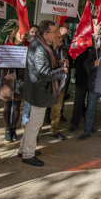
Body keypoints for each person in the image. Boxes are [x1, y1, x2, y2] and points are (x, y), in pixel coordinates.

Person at [18, 20, 67, 167]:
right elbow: (44, 73)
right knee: (35, 124)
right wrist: (61, 71)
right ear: (45, 34)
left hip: (37, 89)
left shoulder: (40, 44)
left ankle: (23, 149)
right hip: (39, 90)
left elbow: (44, 66)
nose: (56, 35)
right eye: (54, 33)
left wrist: (57, 64)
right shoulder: (40, 47)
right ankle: (28, 154)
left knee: (33, 122)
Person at [0, 25, 37, 142]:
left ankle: (13, 129)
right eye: (20, 33)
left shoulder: (29, 46)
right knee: (7, 106)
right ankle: (7, 129)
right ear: (14, 33)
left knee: (16, 106)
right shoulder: (7, 46)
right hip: (8, 80)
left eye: (24, 34)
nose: (22, 36)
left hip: (21, 80)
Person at [69, 18, 101, 132]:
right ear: (93, 26)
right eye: (100, 25)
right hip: (82, 75)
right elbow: (77, 56)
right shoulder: (83, 39)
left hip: (95, 77)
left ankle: (89, 125)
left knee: (91, 103)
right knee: (79, 100)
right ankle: (74, 122)